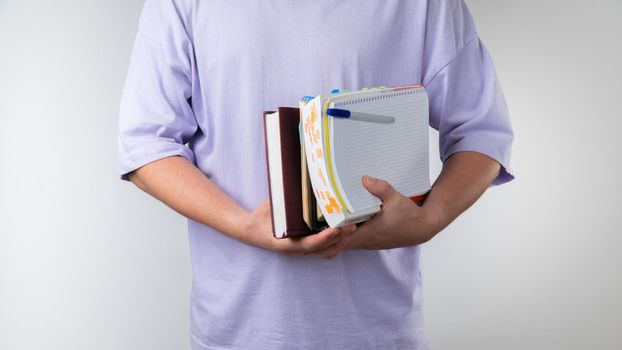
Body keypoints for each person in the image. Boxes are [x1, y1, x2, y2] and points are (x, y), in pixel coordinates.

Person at [118, 0, 514, 348]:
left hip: (379, 329)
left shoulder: (426, 5)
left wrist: (431, 218)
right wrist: (244, 225)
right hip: (236, 330)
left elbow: (481, 130)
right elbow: (147, 144)